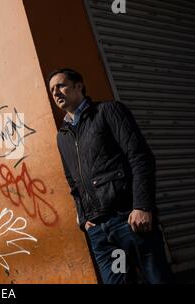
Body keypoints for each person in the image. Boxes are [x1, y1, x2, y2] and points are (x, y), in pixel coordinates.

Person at [48, 68, 173, 284]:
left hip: (129, 221)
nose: (56, 92)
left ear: (79, 86)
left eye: (61, 85)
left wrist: (142, 206)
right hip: (100, 233)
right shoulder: (63, 136)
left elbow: (140, 157)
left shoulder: (108, 111)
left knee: (158, 279)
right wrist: (84, 218)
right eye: (52, 90)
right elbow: (73, 182)